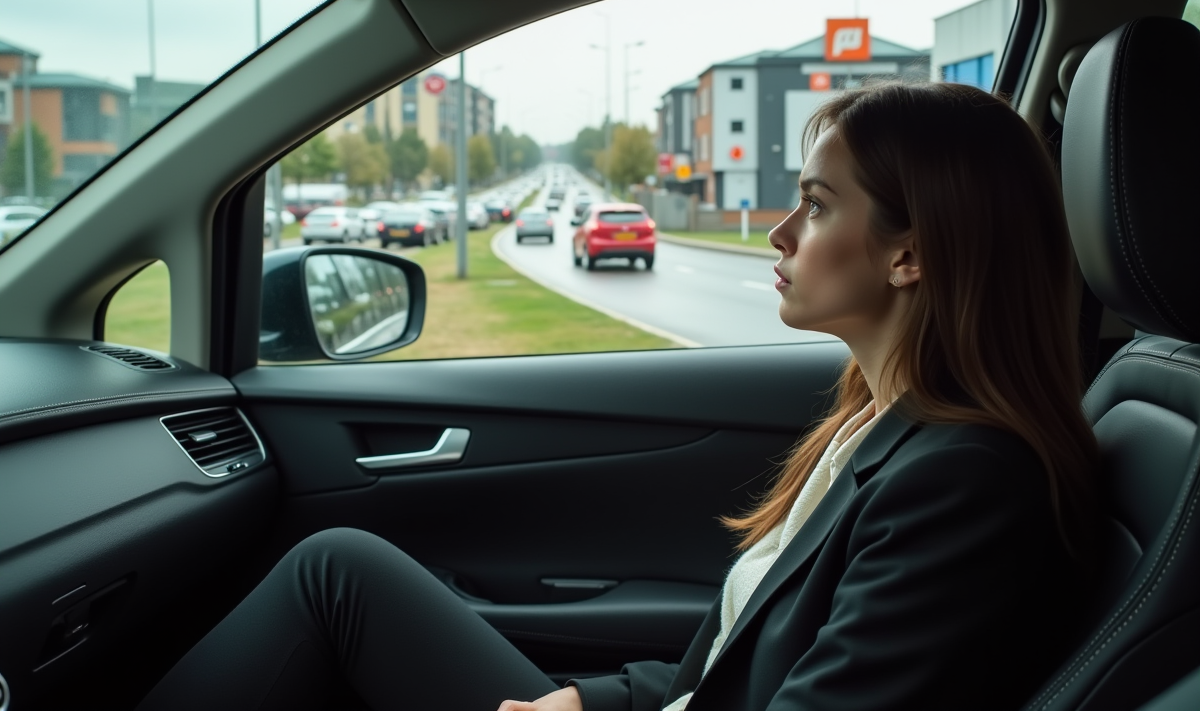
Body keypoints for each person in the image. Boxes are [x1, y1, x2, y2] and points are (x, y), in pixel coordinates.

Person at [137, 82, 1099, 711]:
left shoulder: (965, 479)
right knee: (339, 565)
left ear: (911, 252)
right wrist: (594, 701)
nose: (777, 233)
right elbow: (738, 650)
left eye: (816, 204)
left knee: (329, 574)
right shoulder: (879, 424)